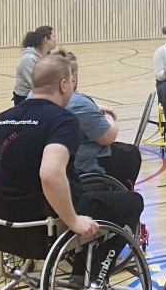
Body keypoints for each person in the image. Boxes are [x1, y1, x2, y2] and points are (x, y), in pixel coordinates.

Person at [0, 55, 144, 270]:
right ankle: (91, 275)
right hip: (46, 217)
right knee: (132, 202)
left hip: (8, 217)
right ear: (64, 85)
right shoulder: (62, 120)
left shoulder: (4, 117)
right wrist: (73, 220)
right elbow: (50, 173)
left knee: (98, 189)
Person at [57, 50, 142, 188]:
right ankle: (119, 191)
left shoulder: (32, 97)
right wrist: (109, 116)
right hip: (79, 163)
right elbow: (108, 137)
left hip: (53, 160)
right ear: (73, 77)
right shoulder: (78, 103)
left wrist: (96, 106)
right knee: (129, 153)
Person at [13, 26, 57, 105]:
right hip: (25, 99)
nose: (56, 39)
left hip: (37, 95)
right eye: (54, 36)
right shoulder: (28, 60)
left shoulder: (45, 55)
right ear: (46, 39)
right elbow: (37, 85)